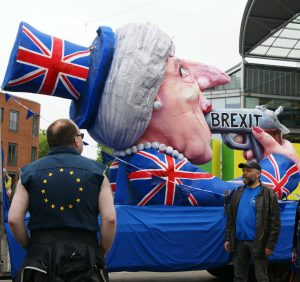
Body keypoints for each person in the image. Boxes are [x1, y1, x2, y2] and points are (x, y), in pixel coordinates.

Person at [2, 22, 300, 205]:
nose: (207, 87)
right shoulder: (154, 166)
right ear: (149, 100)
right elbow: (231, 197)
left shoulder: (135, 161)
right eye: (183, 72)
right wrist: (283, 163)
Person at [8, 118, 116, 282]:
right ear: (76, 140)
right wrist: (101, 251)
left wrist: (29, 246)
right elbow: (110, 219)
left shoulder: (28, 173)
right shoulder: (98, 173)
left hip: (40, 257)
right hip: (86, 257)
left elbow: (14, 220)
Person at [224, 160, 281, 282]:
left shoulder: (268, 194)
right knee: (239, 277)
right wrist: (228, 238)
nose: (245, 173)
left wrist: (270, 244)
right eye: (244, 171)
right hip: (239, 243)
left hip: (259, 243)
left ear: (258, 174)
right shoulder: (238, 192)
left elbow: (275, 223)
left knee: (261, 278)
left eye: (248, 171)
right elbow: (231, 217)